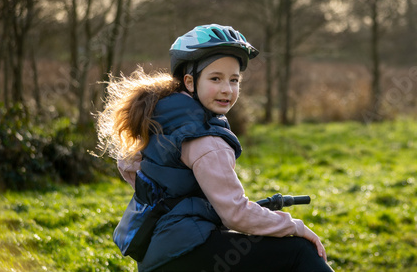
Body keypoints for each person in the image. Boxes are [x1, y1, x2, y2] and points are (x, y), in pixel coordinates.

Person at [97, 24, 334, 272]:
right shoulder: (205, 138)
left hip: (158, 255)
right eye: (215, 78)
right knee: (299, 252)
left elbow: (131, 167)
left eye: (234, 80)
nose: (226, 89)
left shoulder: (164, 118)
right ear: (190, 81)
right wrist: (295, 226)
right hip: (187, 251)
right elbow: (236, 214)